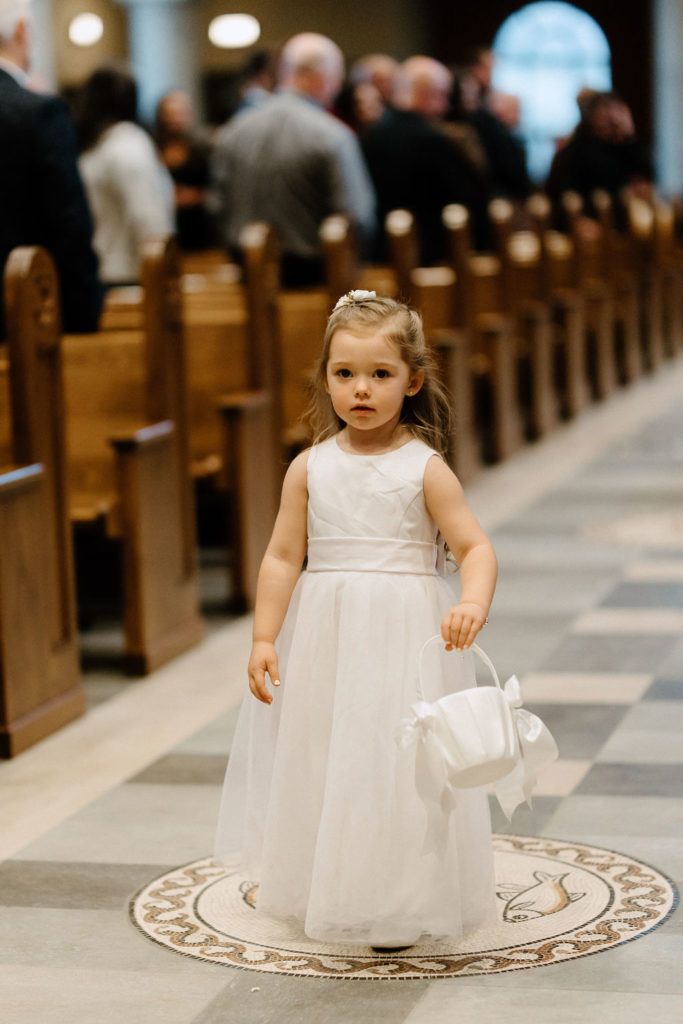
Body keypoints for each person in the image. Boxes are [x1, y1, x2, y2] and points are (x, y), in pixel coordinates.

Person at [215, 292, 498, 948]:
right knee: (327, 753)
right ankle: (325, 882)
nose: (360, 390)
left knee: (394, 761)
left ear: (412, 381)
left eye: (379, 374)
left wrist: (470, 601)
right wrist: (264, 636)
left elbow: (474, 547)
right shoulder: (309, 467)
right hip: (327, 637)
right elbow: (284, 557)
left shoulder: (423, 469)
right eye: (343, 374)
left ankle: (399, 895)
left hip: (403, 634)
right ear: (325, 378)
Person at [211, 32, 376, 287]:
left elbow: (217, 206)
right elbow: (357, 217)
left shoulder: (233, 132)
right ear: (321, 78)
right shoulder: (333, 135)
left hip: (250, 279)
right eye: (337, 79)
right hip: (317, 281)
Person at [0, 0, 102, 335]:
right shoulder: (39, 113)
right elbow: (69, 225)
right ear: (20, 31)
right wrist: (84, 319)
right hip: (27, 327)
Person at [361, 55, 491, 260]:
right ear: (424, 93)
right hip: (431, 258)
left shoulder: (370, 136)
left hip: (382, 255)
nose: (446, 107)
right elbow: (464, 205)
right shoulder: (435, 141)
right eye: (442, 96)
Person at [76, 64, 174, 286]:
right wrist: (166, 273)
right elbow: (148, 219)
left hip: (107, 268)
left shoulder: (93, 148)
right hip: (131, 273)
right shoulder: (128, 143)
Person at [546, 90, 653, 226]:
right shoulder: (575, 150)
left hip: (622, 221)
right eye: (605, 113)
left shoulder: (627, 146)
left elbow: (646, 175)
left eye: (618, 112)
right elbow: (564, 195)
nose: (613, 119)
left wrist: (629, 135)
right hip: (587, 222)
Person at [154, 89, 215, 251]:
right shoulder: (153, 150)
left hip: (199, 229)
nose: (175, 119)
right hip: (168, 227)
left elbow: (217, 190)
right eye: (171, 114)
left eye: (180, 113)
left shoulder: (203, 149)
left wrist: (194, 196)